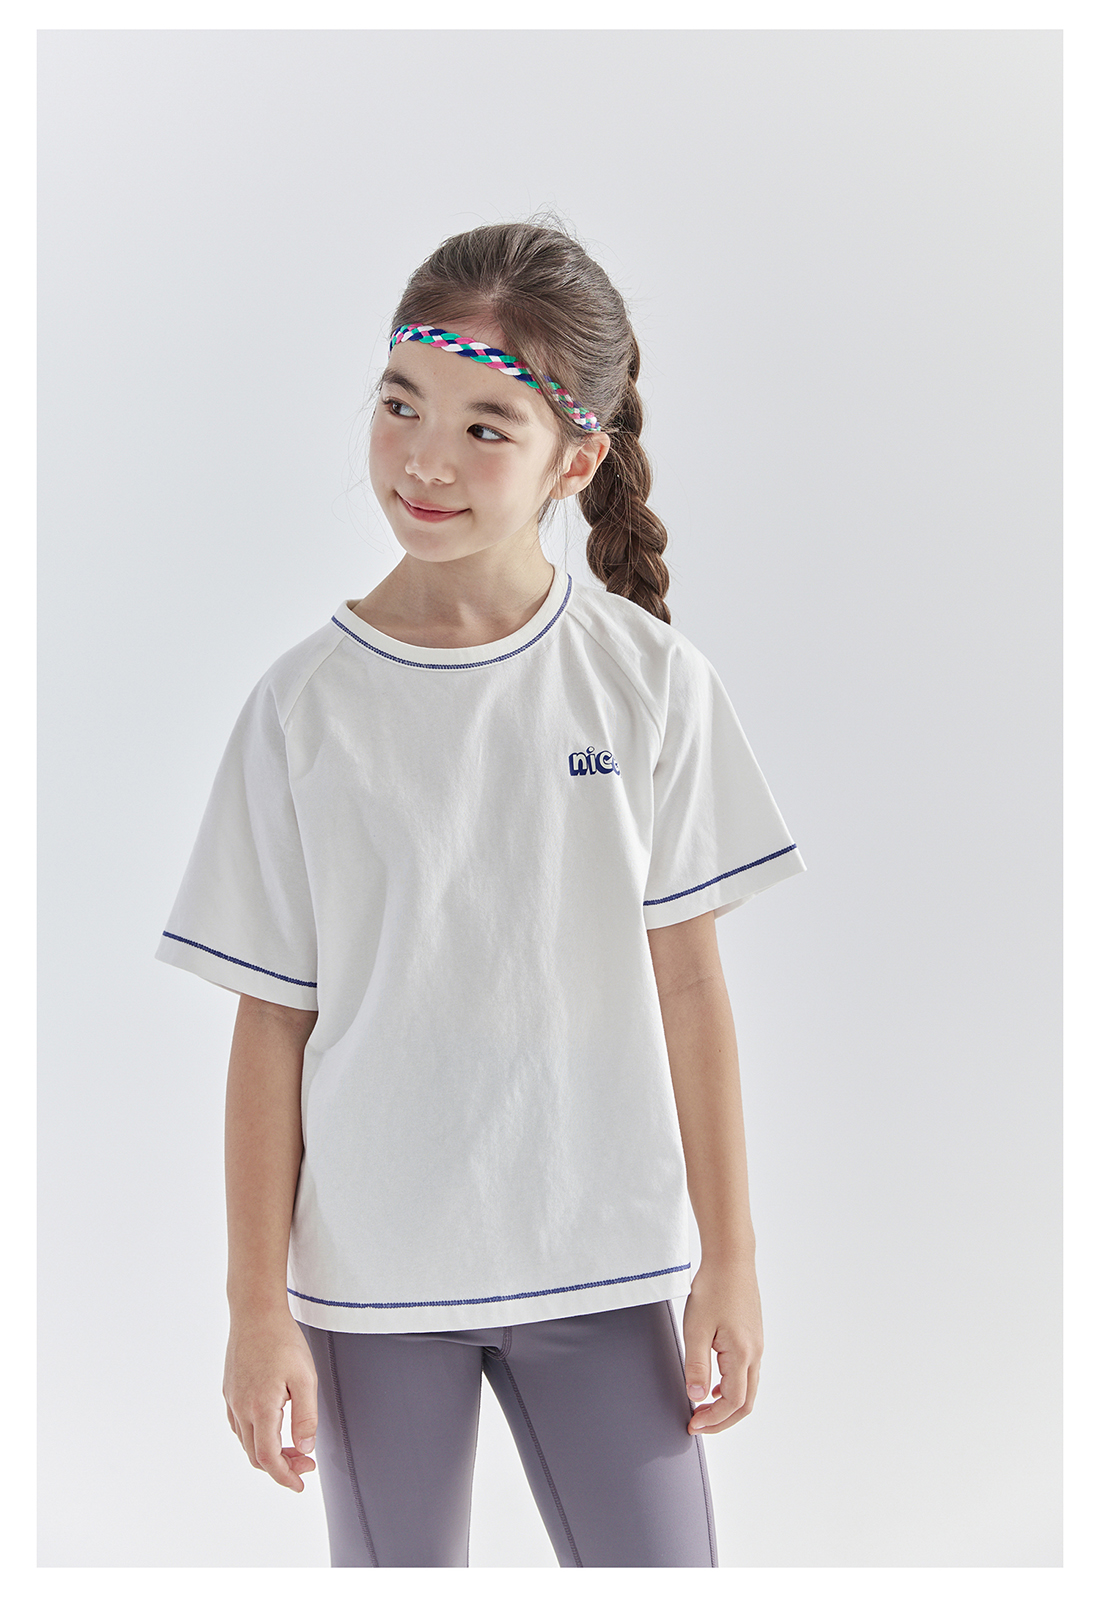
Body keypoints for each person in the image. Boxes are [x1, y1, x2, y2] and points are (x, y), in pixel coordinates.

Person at [155, 218, 806, 1568]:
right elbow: (271, 1027)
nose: (425, 458)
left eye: (484, 426)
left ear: (577, 460)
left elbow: (692, 991)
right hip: (373, 1290)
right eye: (401, 404)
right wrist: (254, 1307)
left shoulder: (649, 683)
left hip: (604, 1265)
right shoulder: (302, 710)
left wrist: (732, 1259)